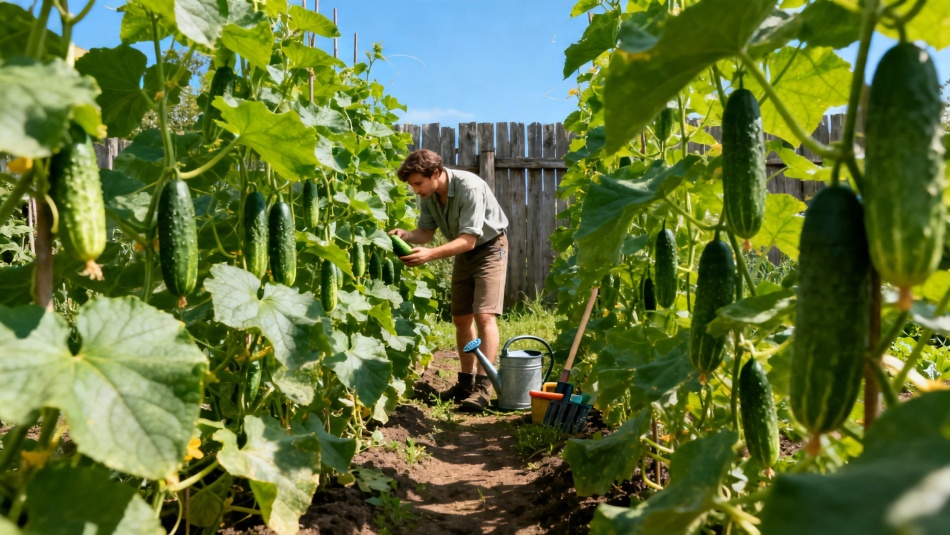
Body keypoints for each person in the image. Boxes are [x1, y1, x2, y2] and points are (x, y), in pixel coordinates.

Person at [390, 149, 509, 411]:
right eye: (412, 186)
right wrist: (407, 235)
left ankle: (484, 388)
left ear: (436, 173)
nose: (415, 190)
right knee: (461, 317)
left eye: (418, 184)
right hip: (462, 251)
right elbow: (425, 233)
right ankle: (465, 383)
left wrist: (430, 255)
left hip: (489, 248)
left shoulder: (470, 187)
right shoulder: (430, 196)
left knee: (485, 315)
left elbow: (469, 240)